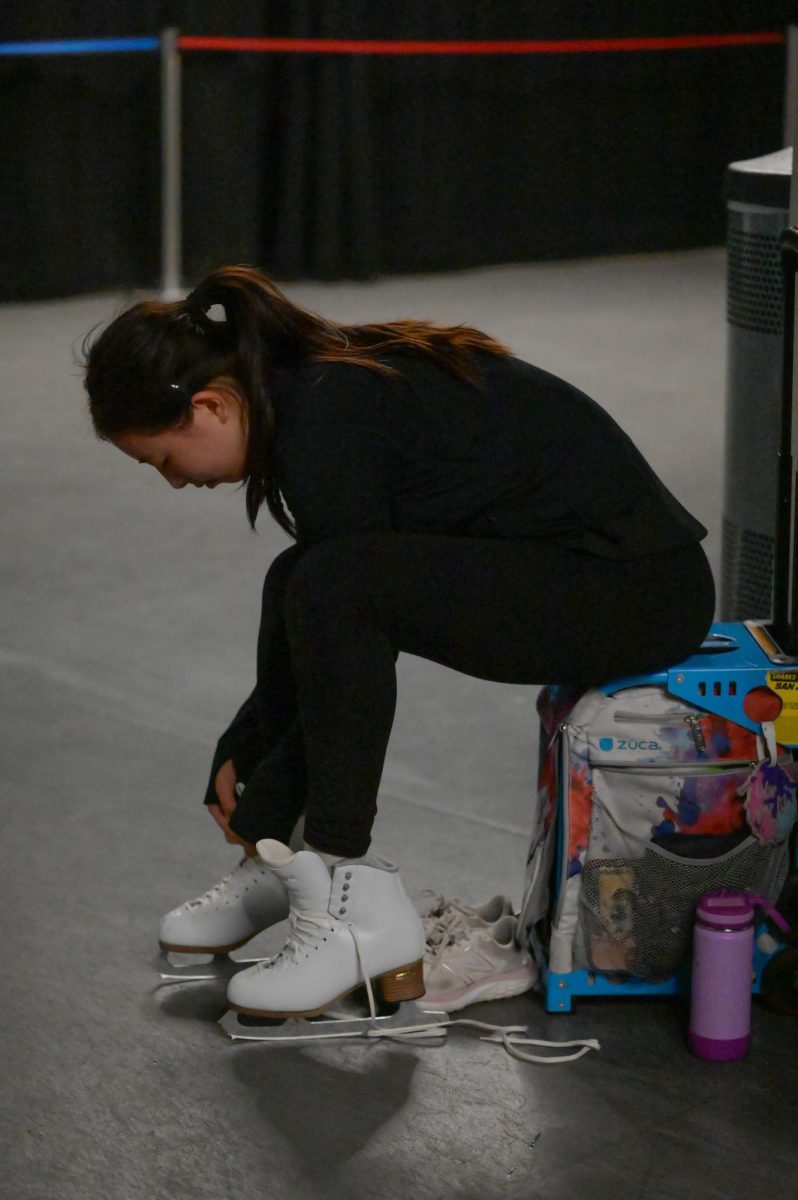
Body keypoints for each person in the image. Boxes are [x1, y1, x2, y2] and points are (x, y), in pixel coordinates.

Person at [83, 264, 715, 1018]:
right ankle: (288, 855)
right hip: (597, 570)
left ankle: (342, 887)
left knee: (333, 587)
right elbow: (320, 608)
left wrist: (266, 798)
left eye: (161, 460)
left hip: (638, 591)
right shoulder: (304, 393)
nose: (174, 483)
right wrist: (245, 750)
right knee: (303, 578)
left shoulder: (323, 424)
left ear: (210, 406)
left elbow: (346, 607)